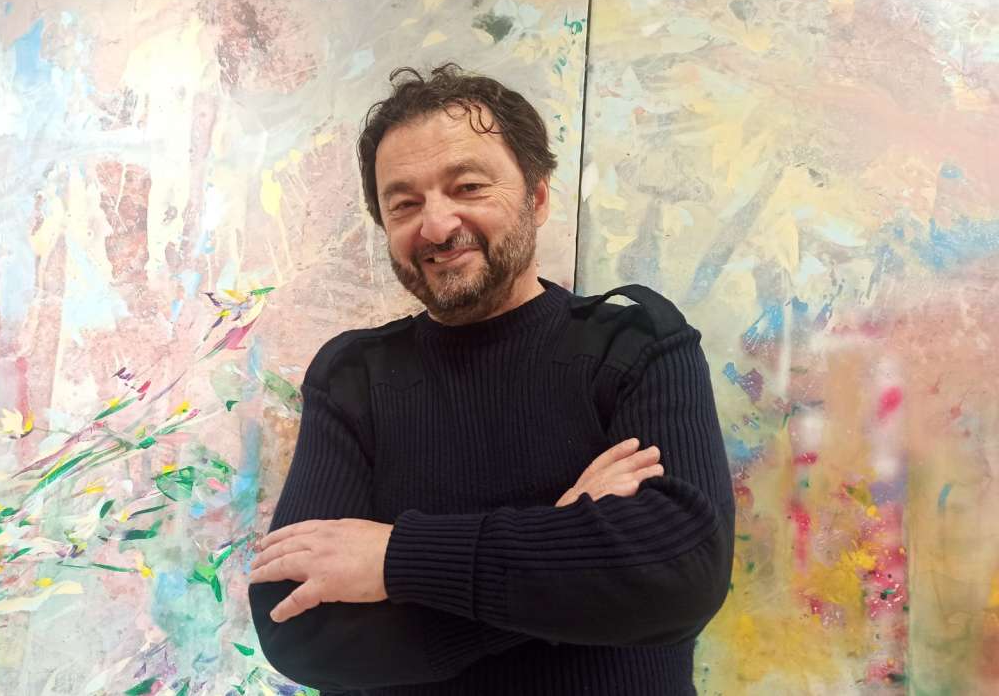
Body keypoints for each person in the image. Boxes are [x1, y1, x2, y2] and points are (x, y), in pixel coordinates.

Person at [248, 64, 735, 695]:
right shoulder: (352, 377)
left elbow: (680, 575)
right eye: (404, 203)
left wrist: (395, 560)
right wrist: (564, 539)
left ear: (537, 197)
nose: (436, 225)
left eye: (469, 187)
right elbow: (299, 631)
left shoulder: (635, 342)